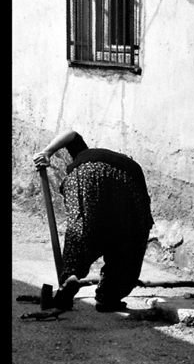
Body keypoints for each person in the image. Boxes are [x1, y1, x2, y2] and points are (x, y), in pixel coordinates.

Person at [33, 129, 154, 312]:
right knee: (129, 238)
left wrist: (46, 152)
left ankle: (71, 276)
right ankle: (109, 296)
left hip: (88, 173)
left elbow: (71, 133)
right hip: (130, 181)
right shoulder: (124, 162)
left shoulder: (84, 155)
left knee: (82, 226)